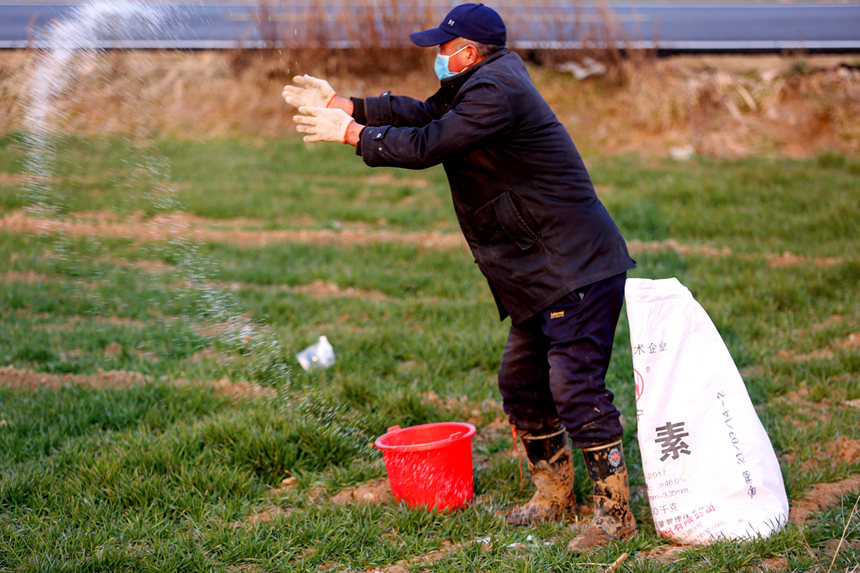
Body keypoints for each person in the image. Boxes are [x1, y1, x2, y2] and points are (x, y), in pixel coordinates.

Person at [282, 3, 637, 551]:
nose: (436, 57)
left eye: (441, 49)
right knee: (521, 383)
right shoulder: (479, 81)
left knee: (575, 386)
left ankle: (615, 516)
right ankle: (554, 495)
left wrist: (353, 134)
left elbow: (429, 145)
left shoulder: (495, 92)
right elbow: (423, 115)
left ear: (468, 52)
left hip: (575, 265)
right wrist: (343, 103)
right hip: (540, 269)